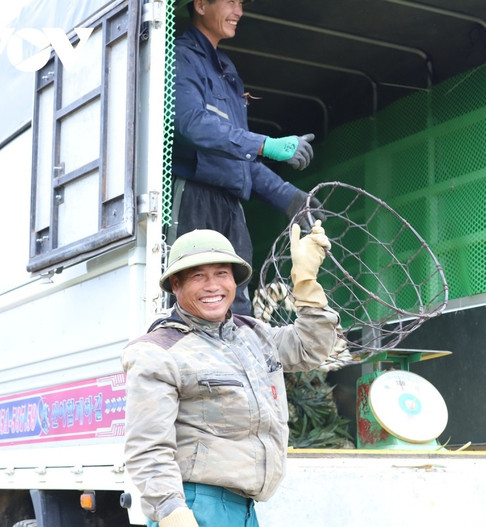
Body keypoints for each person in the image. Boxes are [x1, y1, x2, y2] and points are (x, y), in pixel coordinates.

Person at [122, 222, 339, 527]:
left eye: (222, 274)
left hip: (245, 509)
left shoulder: (253, 334)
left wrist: (305, 281)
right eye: (199, 276)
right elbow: (148, 447)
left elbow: (310, 348)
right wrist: (171, 511)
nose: (213, 286)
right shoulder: (158, 351)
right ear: (175, 284)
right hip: (196, 507)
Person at [170, 0, 320, 316]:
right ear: (199, 4)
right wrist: (267, 144)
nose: (239, 10)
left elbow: (241, 156)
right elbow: (190, 124)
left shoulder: (227, 70)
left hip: (231, 207)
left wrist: (289, 198)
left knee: (237, 307)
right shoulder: (181, 56)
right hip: (195, 200)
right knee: (198, 304)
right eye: (230, 1)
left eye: (241, 3)